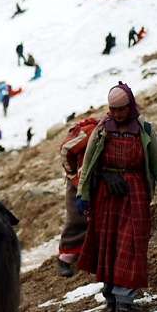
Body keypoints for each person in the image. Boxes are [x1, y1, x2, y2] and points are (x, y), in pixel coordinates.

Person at [76, 82, 157, 312]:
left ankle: (125, 301)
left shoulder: (143, 130)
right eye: (113, 110)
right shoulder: (102, 130)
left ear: (131, 106)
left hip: (135, 196)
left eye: (122, 109)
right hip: (107, 196)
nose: (117, 114)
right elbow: (88, 165)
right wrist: (82, 195)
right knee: (109, 245)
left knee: (130, 246)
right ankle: (111, 298)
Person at [56, 117, 99, 277]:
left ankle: (88, 252)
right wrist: (73, 175)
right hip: (78, 178)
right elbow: (66, 149)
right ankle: (65, 257)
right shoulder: (93, 131)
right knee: (76, 217)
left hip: (97, 179)